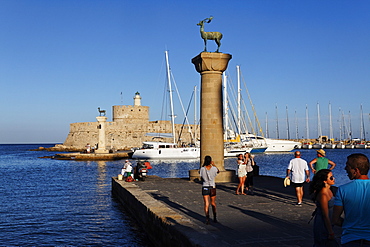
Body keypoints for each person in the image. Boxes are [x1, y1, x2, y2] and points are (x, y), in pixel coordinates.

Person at [332, 153, 370, 246]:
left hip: (350, 239)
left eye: (347, 166)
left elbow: (335, 219)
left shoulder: (343, 189)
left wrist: (350, 224)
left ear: (356, 170)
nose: (345, 169)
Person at [309, 169, 338, 247]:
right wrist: (330, 231)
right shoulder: (323, 195)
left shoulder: (329, 190)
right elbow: (325, 215)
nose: (333, 179)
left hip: (329, 222)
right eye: (331, 178)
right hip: (323, 223)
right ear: (325, 181)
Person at [199, 155, 219, 225]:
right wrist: (214, 164)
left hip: (205, 186)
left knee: (206, 204)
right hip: (212, 186)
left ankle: (207, 218)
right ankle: (215, 217)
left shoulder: (202, 169)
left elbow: (201, 176)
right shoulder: (213, 168)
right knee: (213, 203)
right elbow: (218, 171)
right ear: (210, 161)